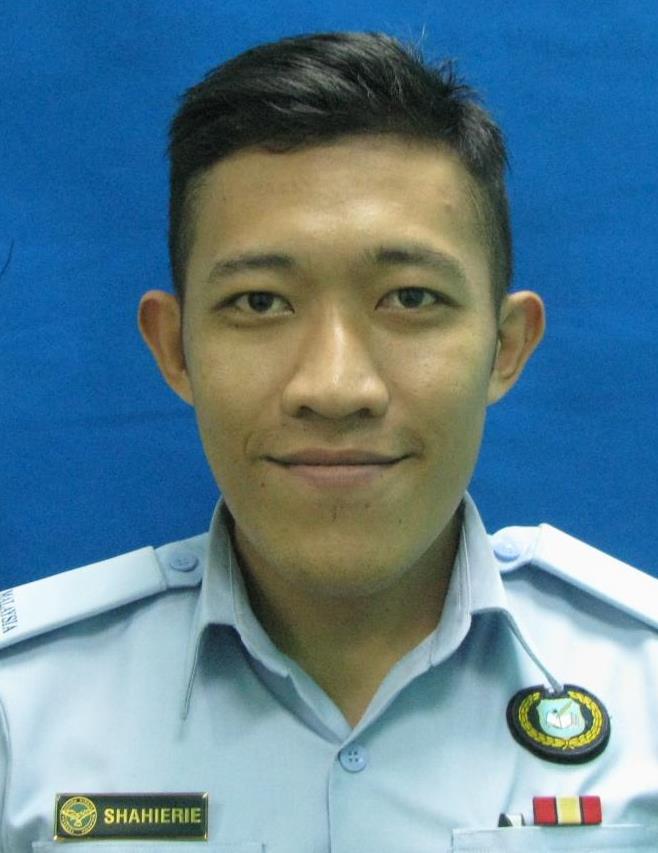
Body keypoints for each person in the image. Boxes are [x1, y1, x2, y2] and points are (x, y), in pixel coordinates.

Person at [1, 31, 656, 852]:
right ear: (174, 349)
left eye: (410, 297)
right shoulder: (22, 714)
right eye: (260, 302)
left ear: (506, 346)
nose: (336, 387)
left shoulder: (646, 690)